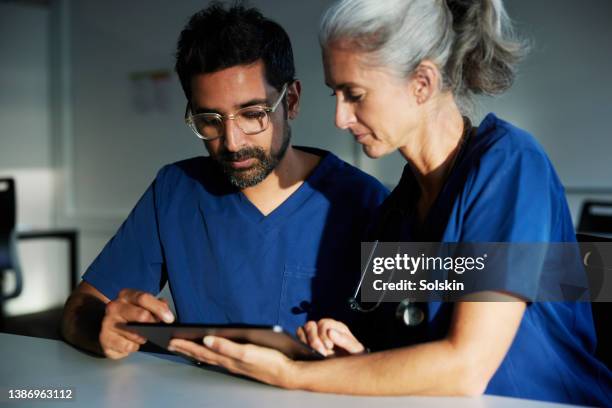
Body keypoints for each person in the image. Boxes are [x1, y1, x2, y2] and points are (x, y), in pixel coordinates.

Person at [166, 0, 612, 405]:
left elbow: (466, 368)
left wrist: (292, 374)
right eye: (334, 94)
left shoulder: (510, 165)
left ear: (422, 83)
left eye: (354, 95)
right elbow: (411, 353)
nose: (340, 117)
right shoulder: (394, 210)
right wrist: (355, 355)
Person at [60, 3, 387, 360]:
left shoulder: (369, 203)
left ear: (291, 100)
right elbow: (81, 306)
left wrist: (363, 355)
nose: (232, 142)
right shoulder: (176, 191)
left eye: (252, 114)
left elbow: (413, 350)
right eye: (210, 120)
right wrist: (103, 327)